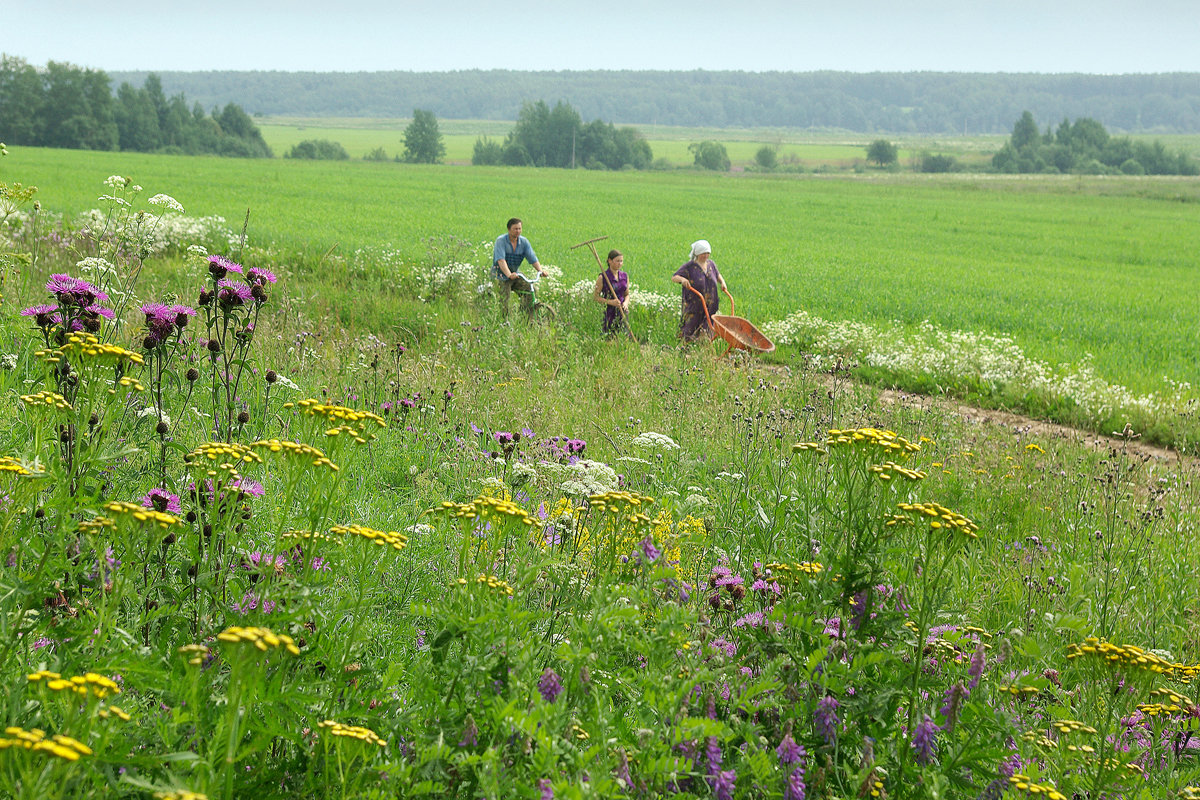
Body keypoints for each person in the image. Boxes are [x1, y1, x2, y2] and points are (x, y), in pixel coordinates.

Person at [671, 239, 727, 341]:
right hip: (694, 304)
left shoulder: (711, 264)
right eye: (703, 253)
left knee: (708, 325)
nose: (705, 256)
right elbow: (674, 277)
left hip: (710, 303)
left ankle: (703, 346)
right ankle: (684, 346)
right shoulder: (690, 266)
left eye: (707, 253)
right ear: (697, 253)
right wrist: (683, 280)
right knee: (690, 326)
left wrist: (722, 282)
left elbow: (718, 275)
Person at [492, 218, 547, 318]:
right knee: (504, 299)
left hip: (515, 274)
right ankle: (503, 320)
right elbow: (501, 260)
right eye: (515, 229)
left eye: (519, 228)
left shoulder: (524, 242)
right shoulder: (501, 241)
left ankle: (526, 316)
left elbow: (532, 258)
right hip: (500, 275)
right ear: (509, 229)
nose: (518, 231)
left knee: (530, 290)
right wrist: (509, 274)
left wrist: (540, 271)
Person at [592, 249, 629, 336]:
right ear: (610, 261)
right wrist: (610, 302)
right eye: (617, 261)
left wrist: (626, 303)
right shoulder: (603, 277)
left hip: (622, 311)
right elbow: (595, 297)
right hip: (609, 312)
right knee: (609, 336)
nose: (620, 263)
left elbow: (627, 294)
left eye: (621, 261)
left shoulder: (624, 276)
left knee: (623, 336)